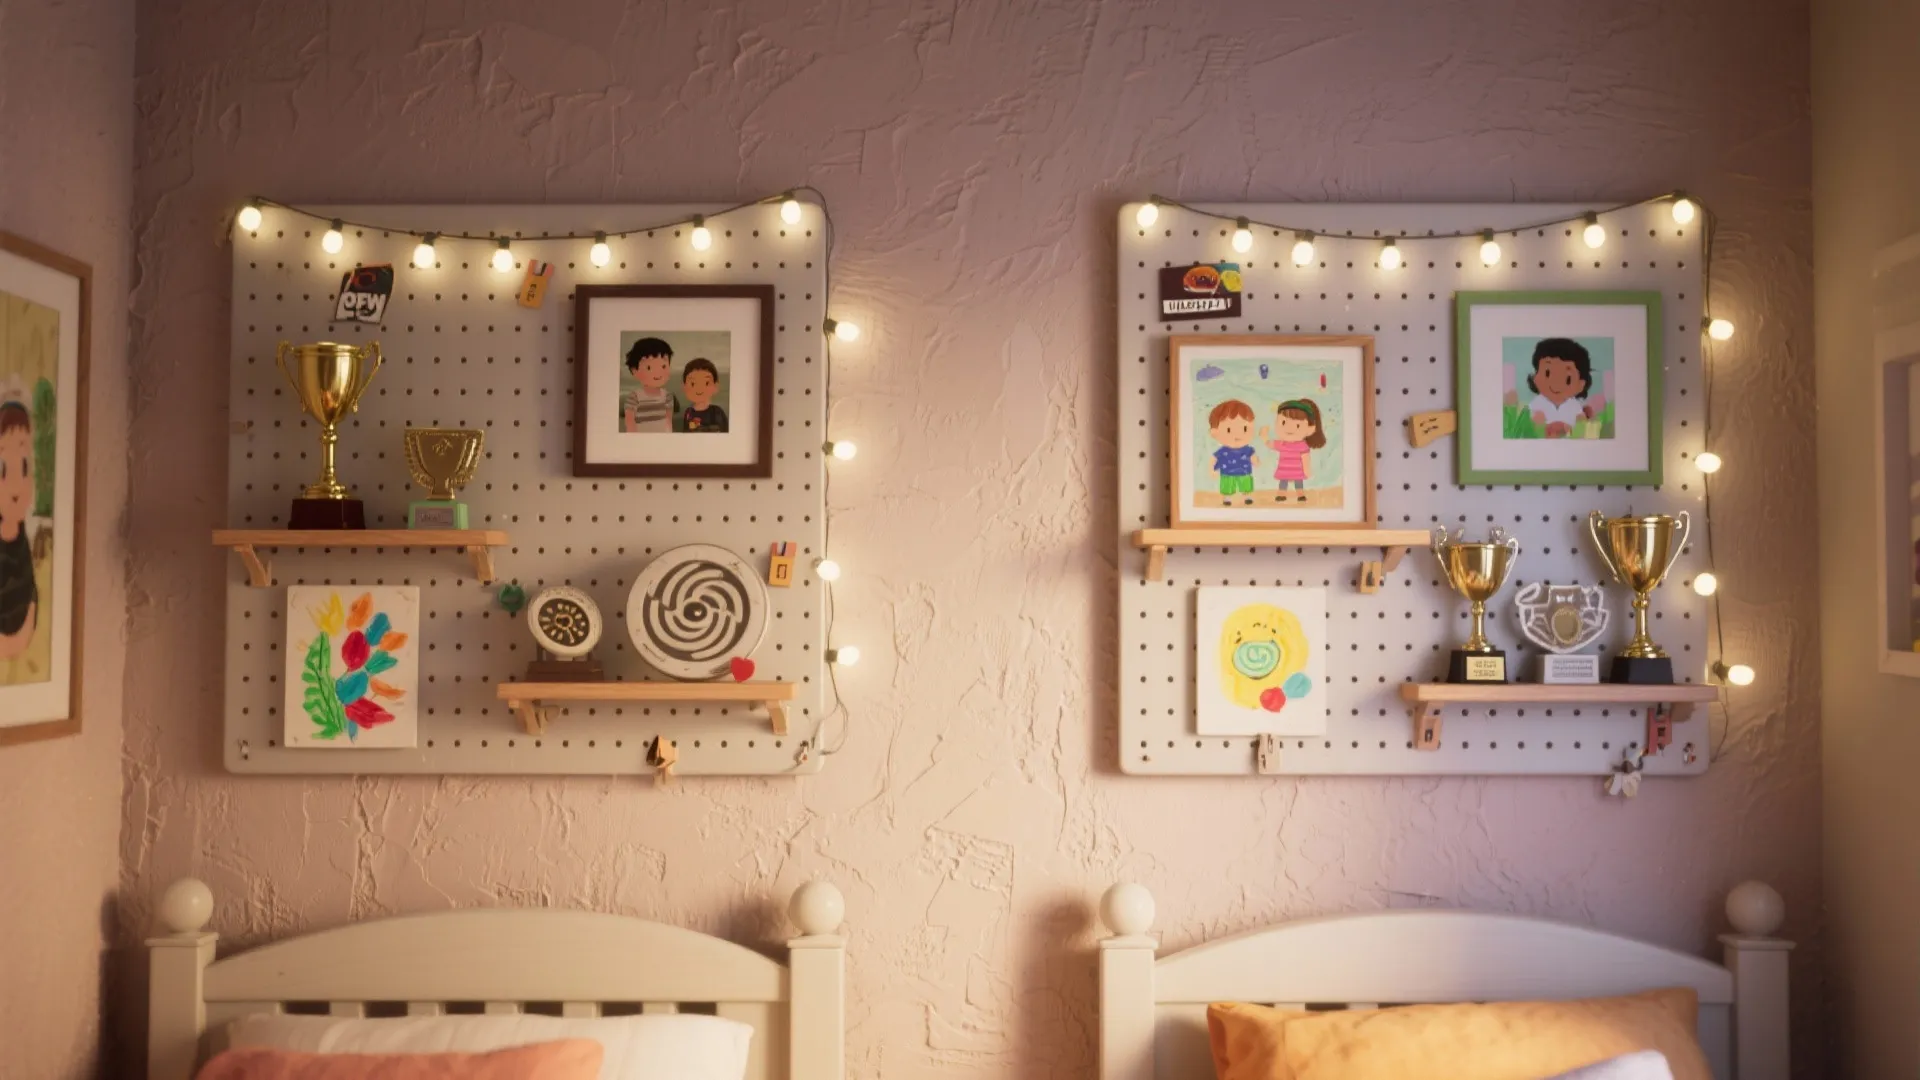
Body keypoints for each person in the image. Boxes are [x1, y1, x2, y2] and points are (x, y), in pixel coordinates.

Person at [0, 397, 37, 660]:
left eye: (23, 466)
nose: (16, 485)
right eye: (3, 469)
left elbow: (30, 593)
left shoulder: (22, 540)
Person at [1525, 337, 1594, 438]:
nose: (1556, 384)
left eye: (1568, 379)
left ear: (1581, 384)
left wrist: (1584, 419)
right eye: (1547, 373)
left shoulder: (1574, 405)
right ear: (1536, 377)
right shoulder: (1537, 404)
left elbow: (1581, 426)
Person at [1261, 398, 1326, 502]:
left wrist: (1307, 470)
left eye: (1297, 425)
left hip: (1297, 470)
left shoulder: (1303, 446)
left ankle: (1300, 495)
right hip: (1284, 469)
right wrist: (1264, 437)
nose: (1289, 428)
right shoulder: (1282, 443)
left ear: (1311, 428)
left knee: (1298, 482)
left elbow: (1306, 458)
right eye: (1283, 422)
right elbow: (1270, 444)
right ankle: (1282, 494)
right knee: (1283, 482)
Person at [1207, 399, 1258, 506]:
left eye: (1244, 428)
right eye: (1229, 430)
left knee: (1246, 485)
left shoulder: (1247, 449)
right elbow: (1213, 459)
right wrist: (1211, 470)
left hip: (1244, 472)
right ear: (1214, 432)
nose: (1238, 434)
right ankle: (1227, 498)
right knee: (1227, 486)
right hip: (1227, 472)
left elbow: (1253, 457)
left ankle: (1247, 496)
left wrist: (1256, 461)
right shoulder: (1223, 451)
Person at [621, 336, 676, 433]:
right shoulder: (634, 397)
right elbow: (629, 422)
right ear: (634, 370)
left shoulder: (667, 396)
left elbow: (668, 421)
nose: (658, 372)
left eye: (663, 366)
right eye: (649, 368)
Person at [680, 358, 729, 432]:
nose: (699, 388)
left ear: (715, 386)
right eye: (693, 384)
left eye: (706, 383)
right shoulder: (688, 412)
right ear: (684, 387)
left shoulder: (717, 412)